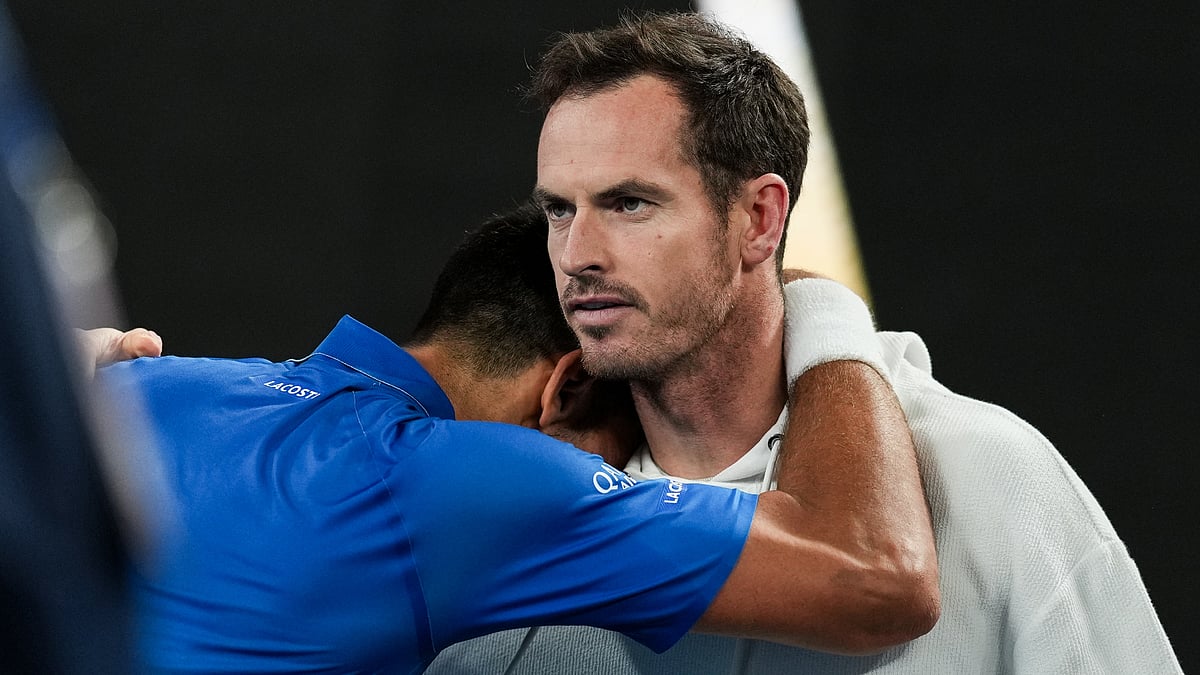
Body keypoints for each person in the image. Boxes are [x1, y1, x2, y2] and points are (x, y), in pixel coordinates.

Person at [427, 11, 1181, 674]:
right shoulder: (524, 523)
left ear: (759, 218)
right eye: (560, 210)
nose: (577, 252)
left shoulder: (989, 476)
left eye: (629, 203)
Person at [97, 204, 938, 673]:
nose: (638, 469)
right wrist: (816, 303)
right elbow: (875, 575)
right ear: (566, 386)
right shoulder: (469, 482)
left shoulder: (131, 379)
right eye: (630, 445)